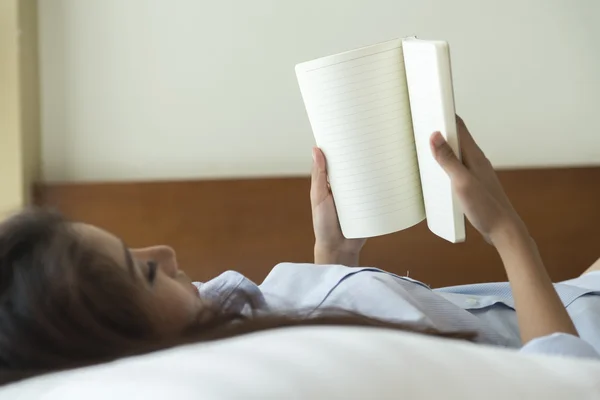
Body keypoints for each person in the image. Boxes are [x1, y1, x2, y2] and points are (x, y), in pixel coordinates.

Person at [0, 117, 598, 385]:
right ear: (125, 343)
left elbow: (336, 332)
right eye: (145, 271)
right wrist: (507, 231)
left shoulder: (222, 313)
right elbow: (559, 382)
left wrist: (334, 258)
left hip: (574, 299)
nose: (166, 251)